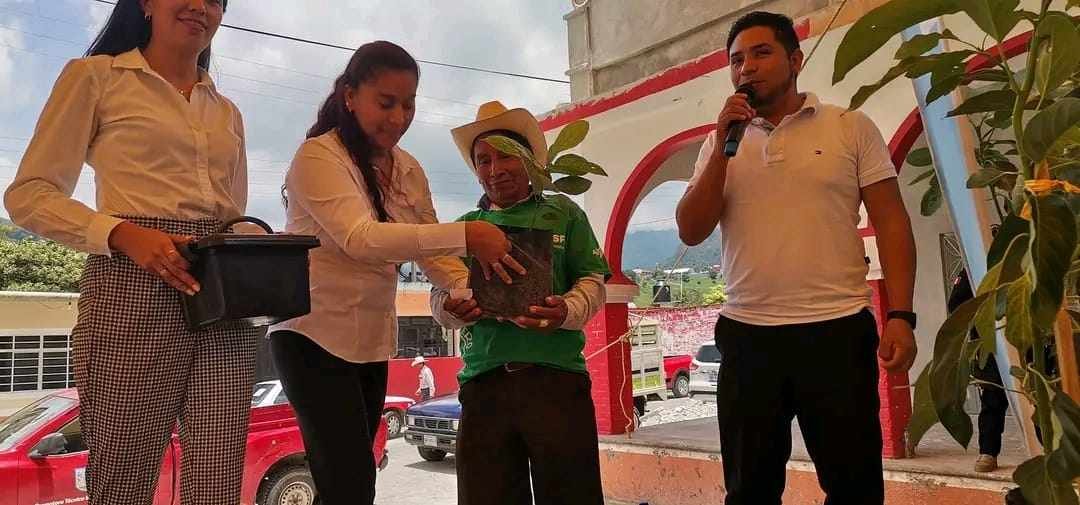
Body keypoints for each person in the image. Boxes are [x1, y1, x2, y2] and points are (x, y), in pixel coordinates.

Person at [3, 1, 257, 504]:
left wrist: (252, 241)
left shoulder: (227, 111)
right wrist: (123, 234)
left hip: (223, 293)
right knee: (124, 474)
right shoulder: (96, 77)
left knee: (220, 475)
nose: (200, 7)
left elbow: (234, 211)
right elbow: (29, 194)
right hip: (129, 282)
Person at [675, 11, 918, 505]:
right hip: (748, 337)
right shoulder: (719, 143)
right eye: (736, 59)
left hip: (836, 332)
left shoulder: (849, 127)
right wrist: (722, 150)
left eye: (761, 53)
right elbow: (691, 230)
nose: (746, 67)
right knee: (749, 491)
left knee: (854, 488)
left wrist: (901, 315)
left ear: (795, 60)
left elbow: (893, 223)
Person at [266, 42, 523, 505]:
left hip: (369, 341)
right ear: (349, 96)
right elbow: (360, 238)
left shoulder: (407, 169)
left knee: (351, 478)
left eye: (408, 105)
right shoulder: (318, 157)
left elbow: (433, 253)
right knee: (349, 481)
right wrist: (469, 235)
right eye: (385, 103)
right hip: (312, 336)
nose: (399, 117)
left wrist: (467, 294)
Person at [431, 100, 610, 505]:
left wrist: (566, 311)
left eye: (505, 155)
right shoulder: (463, 228)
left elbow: (593, 280)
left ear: (528, 159)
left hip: (558, 382)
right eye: (483, 160)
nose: (495, 169)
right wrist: (451, 310)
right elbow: (440, 292)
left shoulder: (564, 213)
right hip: (483, 387)